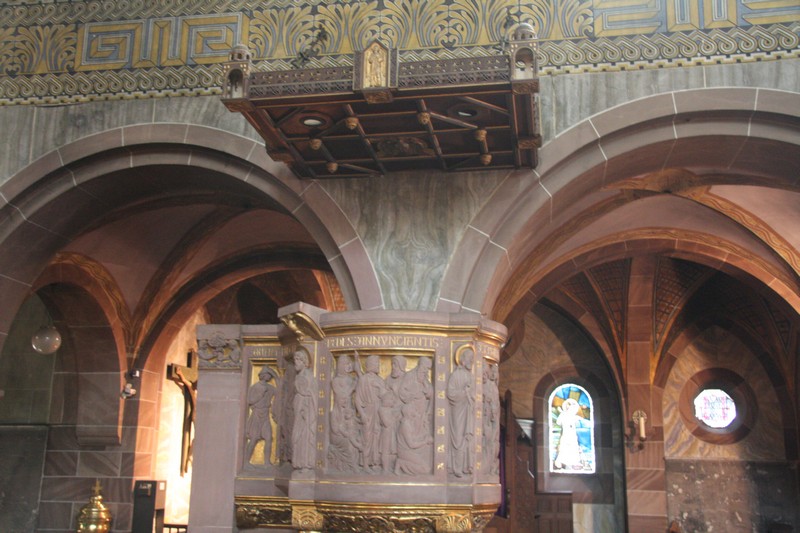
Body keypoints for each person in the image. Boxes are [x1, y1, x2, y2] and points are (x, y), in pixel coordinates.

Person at [355, 352, 387, 472]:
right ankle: (365, 464)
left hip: (378, 411)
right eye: (376, 363)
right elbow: (357, 399)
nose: (378, 365)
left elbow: (385, 397)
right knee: (367, 438)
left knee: (377, 436)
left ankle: (375, 462)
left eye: (378, 363)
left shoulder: (380, 380)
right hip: (368, 411)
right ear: (370, 365)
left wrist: (379, 387)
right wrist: (362, 414)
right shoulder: (363, 380)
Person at [328, 355, 361, 471]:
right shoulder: (336, 381)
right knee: (349, 442)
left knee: (356, 437)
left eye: (349, 364)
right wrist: (352, 387)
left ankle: (357, 463)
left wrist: (357, 365)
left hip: (350, 410)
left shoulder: (351, 379)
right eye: (345, 364)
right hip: (341, 422)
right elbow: (343, 395)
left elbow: (361, 384)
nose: (348, 366)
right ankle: (353, 466)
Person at [447, 347, 475, 477]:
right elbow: (450, 393)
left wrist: (470, 394)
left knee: (467, 438)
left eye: (472, 359)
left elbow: (475, 395)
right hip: (457, 410)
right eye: (469, 359)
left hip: (468, 410)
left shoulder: (471, 376)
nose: (471, 361)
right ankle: (455, 467)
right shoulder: (455, 375)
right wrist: (464, 392)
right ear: (462, 360)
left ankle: (466, 466)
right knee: (458, 438)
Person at [245, 366, 278, 465]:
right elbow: (250, 401)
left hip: (266, 414)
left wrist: (276, 377)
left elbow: (279, 392)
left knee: (268, 438)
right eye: (268, 375)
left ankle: (267, 462)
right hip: (257, 414)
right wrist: (260, 394)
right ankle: (246, 461)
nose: (269, 377)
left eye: (270, 375)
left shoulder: (271, 388)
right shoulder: (255, 387)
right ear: (263, 375)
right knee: (254, 438)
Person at [291, 350, 316, 471]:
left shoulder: (308, 376)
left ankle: (305, 463)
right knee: (297, 437)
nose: (295, 362)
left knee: (304, 435)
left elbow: (312, 393)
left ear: (304, 362)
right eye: (294, 360)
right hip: (298, 408)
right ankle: (298, 463)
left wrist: (305, 406)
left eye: (298, 360)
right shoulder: (298, 376)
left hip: (306, 411)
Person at [553, 398, 582, 470]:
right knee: (564, 447)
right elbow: (558, 422)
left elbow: (579, 421)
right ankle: (559, 461)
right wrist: (562, 414)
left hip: (572, 434)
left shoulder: (574, 417)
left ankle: (574, 462)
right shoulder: (563, 415)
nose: (570, 407)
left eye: (572, 406)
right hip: (566, 434)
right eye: (569, 405)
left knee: (573, 447)